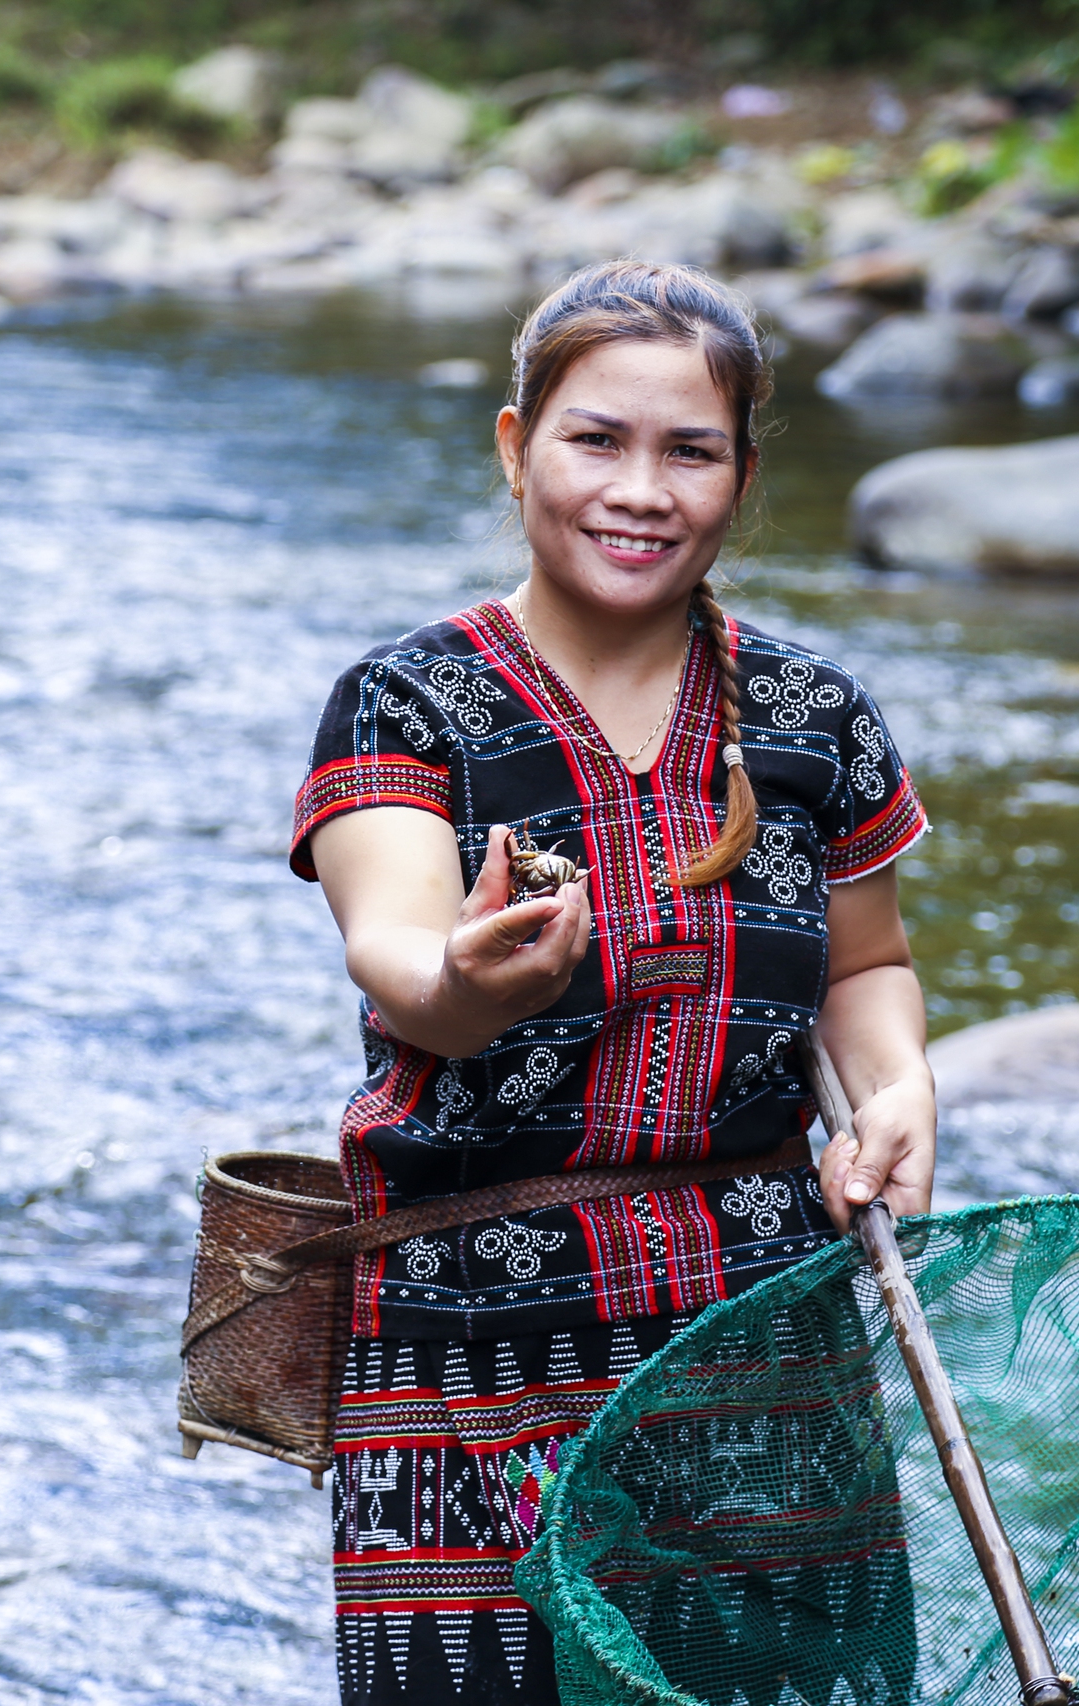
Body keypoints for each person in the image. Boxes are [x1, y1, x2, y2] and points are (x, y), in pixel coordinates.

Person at [291, 259, 935, 1706]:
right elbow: (400, 967)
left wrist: (900, 1090)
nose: (640, 489)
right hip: (475, 1344)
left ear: (742, 476)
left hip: (762, 1337)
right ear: (519, 449)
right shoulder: (408, 702)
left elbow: (868, 964)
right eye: (598, 440)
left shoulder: (815, 718)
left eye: (688, 450)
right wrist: (475, 982)